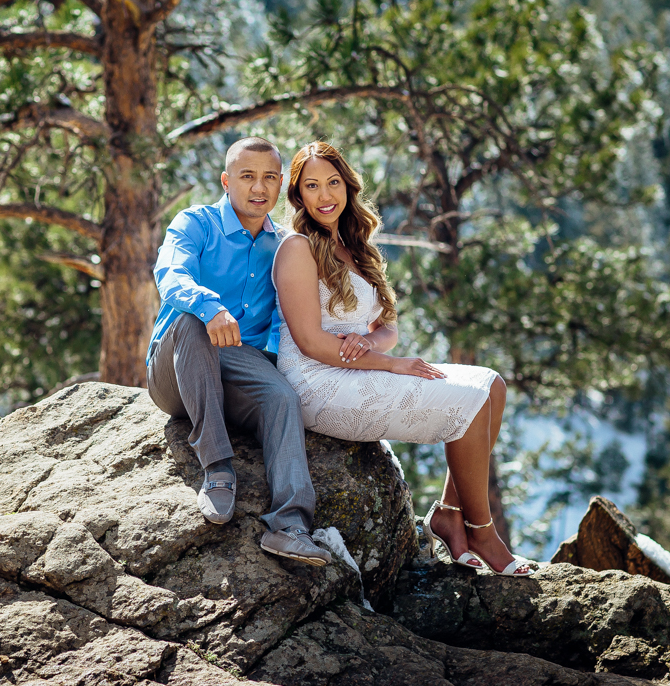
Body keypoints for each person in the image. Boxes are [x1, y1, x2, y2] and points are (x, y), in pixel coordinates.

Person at [272, 141, 532, 577]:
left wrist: (371, 344)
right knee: (467, 404)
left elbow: (387, 326)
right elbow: (312, 343)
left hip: (356, 365)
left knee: (492, 384)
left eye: (332, 182)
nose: (324, 195)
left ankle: (449, 514)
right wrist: (393, 363)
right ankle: (483, 533)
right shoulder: (296, 248)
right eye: (311, 186)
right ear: (298, 194)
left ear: (348, 185)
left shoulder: (356, 246)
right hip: (315, 382)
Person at [146, 136, 333, 566]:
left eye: (269, 177)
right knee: (191, 321)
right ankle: (217, 469)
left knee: (282, 397)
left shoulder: (285, 245)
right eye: (247, 177)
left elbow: (293, 319)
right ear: (228, 181)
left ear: (281, 182)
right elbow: (170, 274)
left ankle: (289, 526)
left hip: (237, 365)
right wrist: (211, 307)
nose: (258, 188)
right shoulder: (196, 223)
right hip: (175, 367)